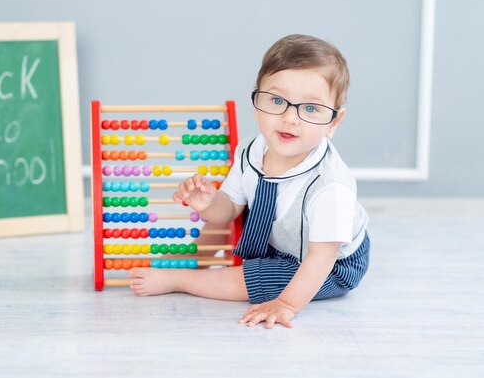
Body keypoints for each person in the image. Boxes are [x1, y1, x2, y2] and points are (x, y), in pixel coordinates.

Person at [128, 34, 370, 329]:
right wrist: (209, 203)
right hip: (282, 239)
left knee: (259, 277)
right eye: (277, 101)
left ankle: (183, 279)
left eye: (310, 108)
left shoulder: (329, 186)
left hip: (329, 263)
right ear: (257, 105)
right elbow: (228, 209)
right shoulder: (251, 151)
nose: (290, 118)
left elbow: (321, 257)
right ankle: (198, 255)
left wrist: (286, 304)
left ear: (333, 122)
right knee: (238, 209)